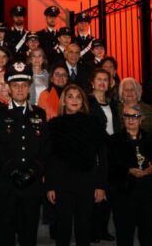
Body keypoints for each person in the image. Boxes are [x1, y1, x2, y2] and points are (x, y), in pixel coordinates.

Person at [0, 61, 49, 246]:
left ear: (29, 87)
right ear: (9, 88)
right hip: (6, 183)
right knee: (4, 234)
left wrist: (34, 171)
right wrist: (12, 170)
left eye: (24, 85)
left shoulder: (39, 113)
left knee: (28, 233)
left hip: (31, 185)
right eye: (15, 85)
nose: (20, 89)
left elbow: (46, 146)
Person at [46, 84, 107, 246]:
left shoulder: (93, 123)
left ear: (83, 101)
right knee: (62, 231)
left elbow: (103, 156)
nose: (74, 100)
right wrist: (50, 186)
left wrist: (100, 185)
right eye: (70, 96)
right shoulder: (54, 125)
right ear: (64, 101)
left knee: (84, 230)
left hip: (87, 183)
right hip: (62, 184)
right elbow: (50, 158)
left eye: (78, 96)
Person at [109, 104, 152, 246]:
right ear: (123, 119)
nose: (131, 120)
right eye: (127, 116)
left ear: (141, 119)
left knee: (148, 234)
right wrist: (128, 170)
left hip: (147, 193)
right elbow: (110, 168)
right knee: (125, 235)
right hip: (124, 194)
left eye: (135, 116)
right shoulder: (114, 140)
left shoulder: (151, 138)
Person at [88, 68, 120, 243]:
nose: (102, 82)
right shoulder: (87, 102)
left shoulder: (112, 102)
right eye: (98, 79)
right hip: (96, 154)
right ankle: (93, 230)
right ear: (92, 82)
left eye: (105, 80)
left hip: (112, 153)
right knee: (96, 192)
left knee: (108, 192)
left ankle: (103, 229)